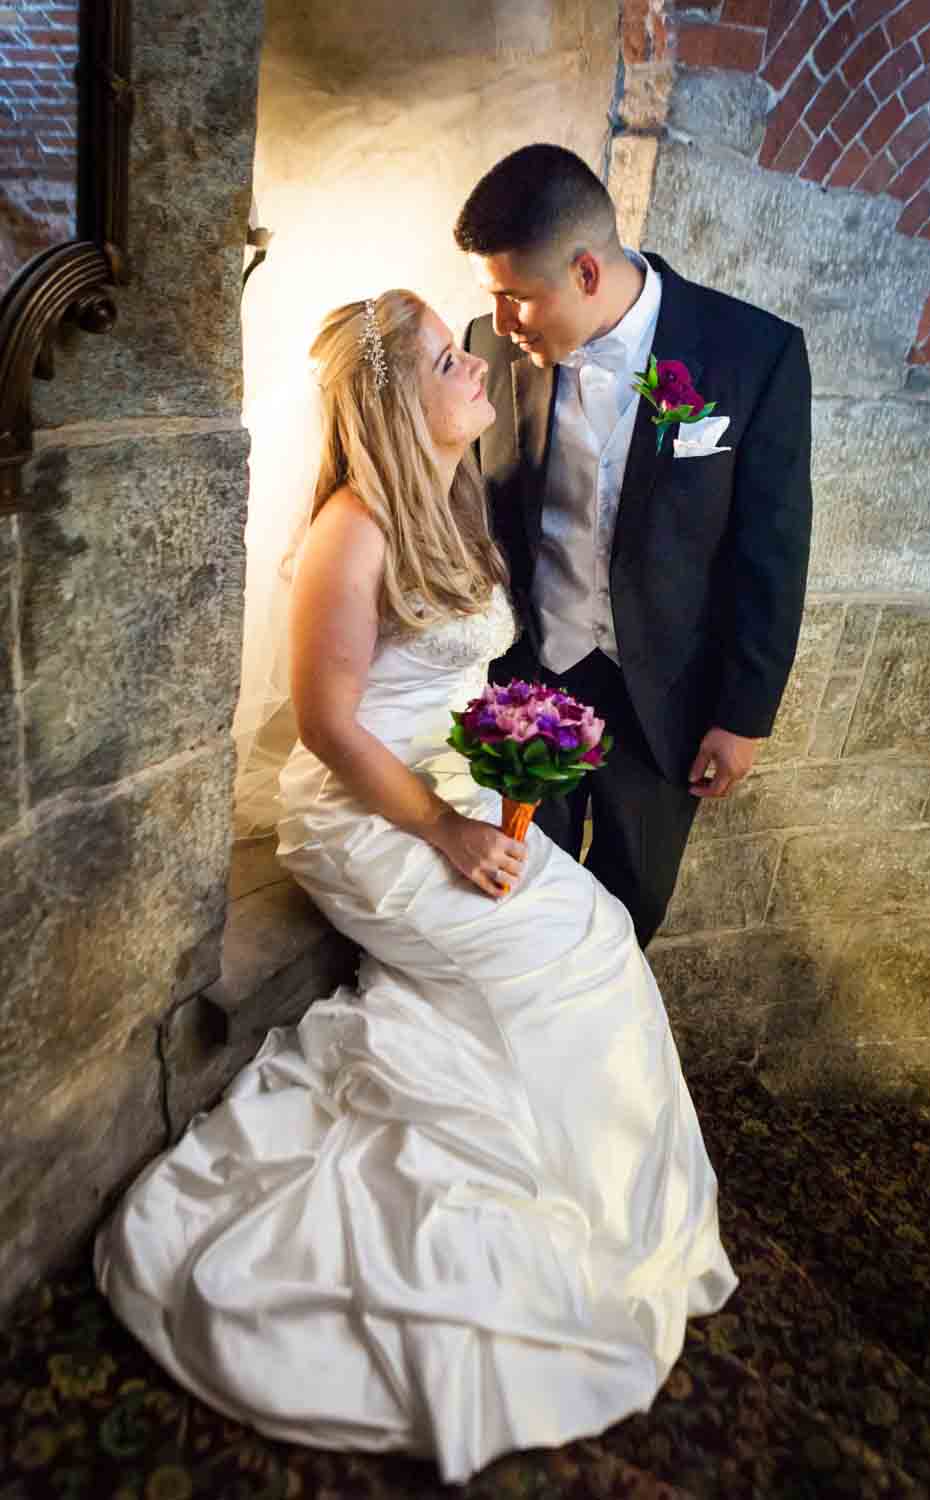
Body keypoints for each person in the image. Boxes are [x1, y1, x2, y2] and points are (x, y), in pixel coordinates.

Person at [95, 290, 737, 1485]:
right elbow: (334, 730)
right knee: (561, 953)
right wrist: (447, 828)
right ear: (398, 399)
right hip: (369, 816)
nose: (477, 365)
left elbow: (446, 683)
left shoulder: (448, 500)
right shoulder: (352, 532)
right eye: (451, 358)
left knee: (594, 924)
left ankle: (602, 1200)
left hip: (447, 783)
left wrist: (505, 757)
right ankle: (555, 1217)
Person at [456, 144, 813, 948]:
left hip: (664, 707)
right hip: (527, 690)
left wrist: (743, 715)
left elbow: (774, 552)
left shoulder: (754, 353)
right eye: (494, 298)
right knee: (506, 919)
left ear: (586, 273)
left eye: (518, 297)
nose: (503, 322)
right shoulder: (486, 344)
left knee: (626, 918)